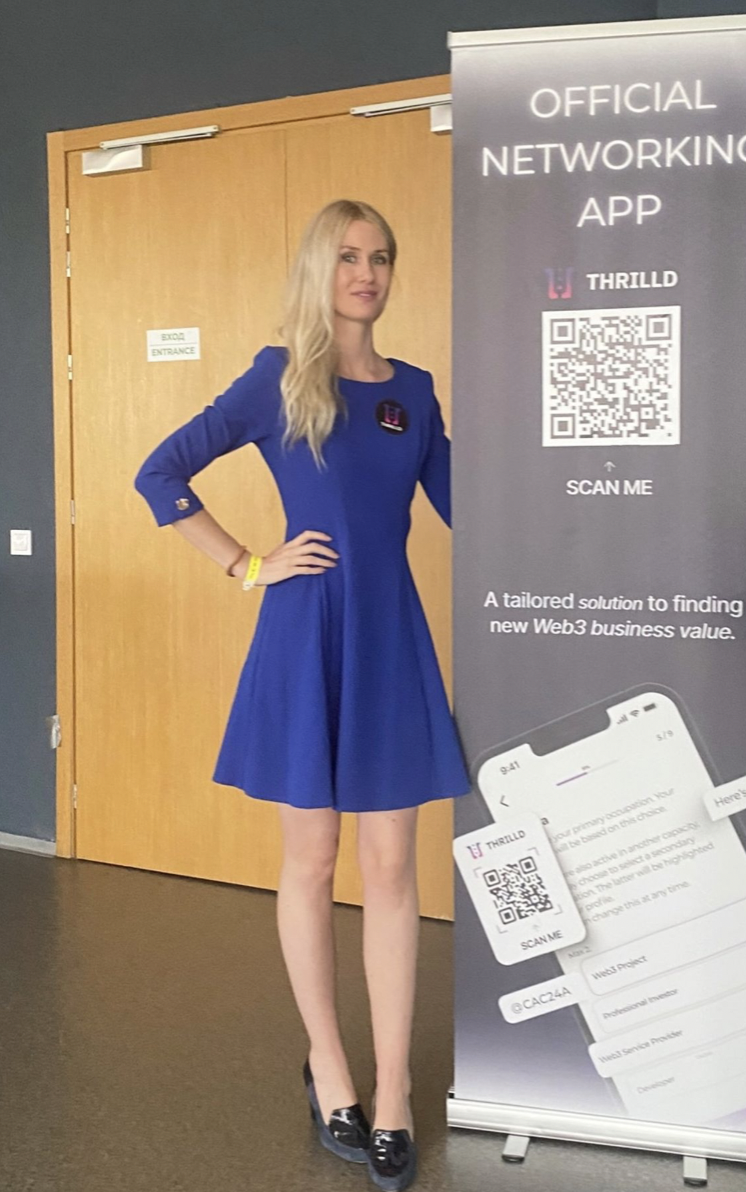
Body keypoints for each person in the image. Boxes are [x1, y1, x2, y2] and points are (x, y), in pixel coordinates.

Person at [133, 198, 471, 1190]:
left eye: (381, 257)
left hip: (390, 637)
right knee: (312, 859)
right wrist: (247, 564)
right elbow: (161, 473)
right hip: (305, 635)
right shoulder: (278, 378)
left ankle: (394, 1088)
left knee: (393, 866)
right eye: (349, 256)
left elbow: (467, 505)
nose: (367, 273)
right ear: (320, 270)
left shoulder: (413, 390)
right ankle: (330, 1068)